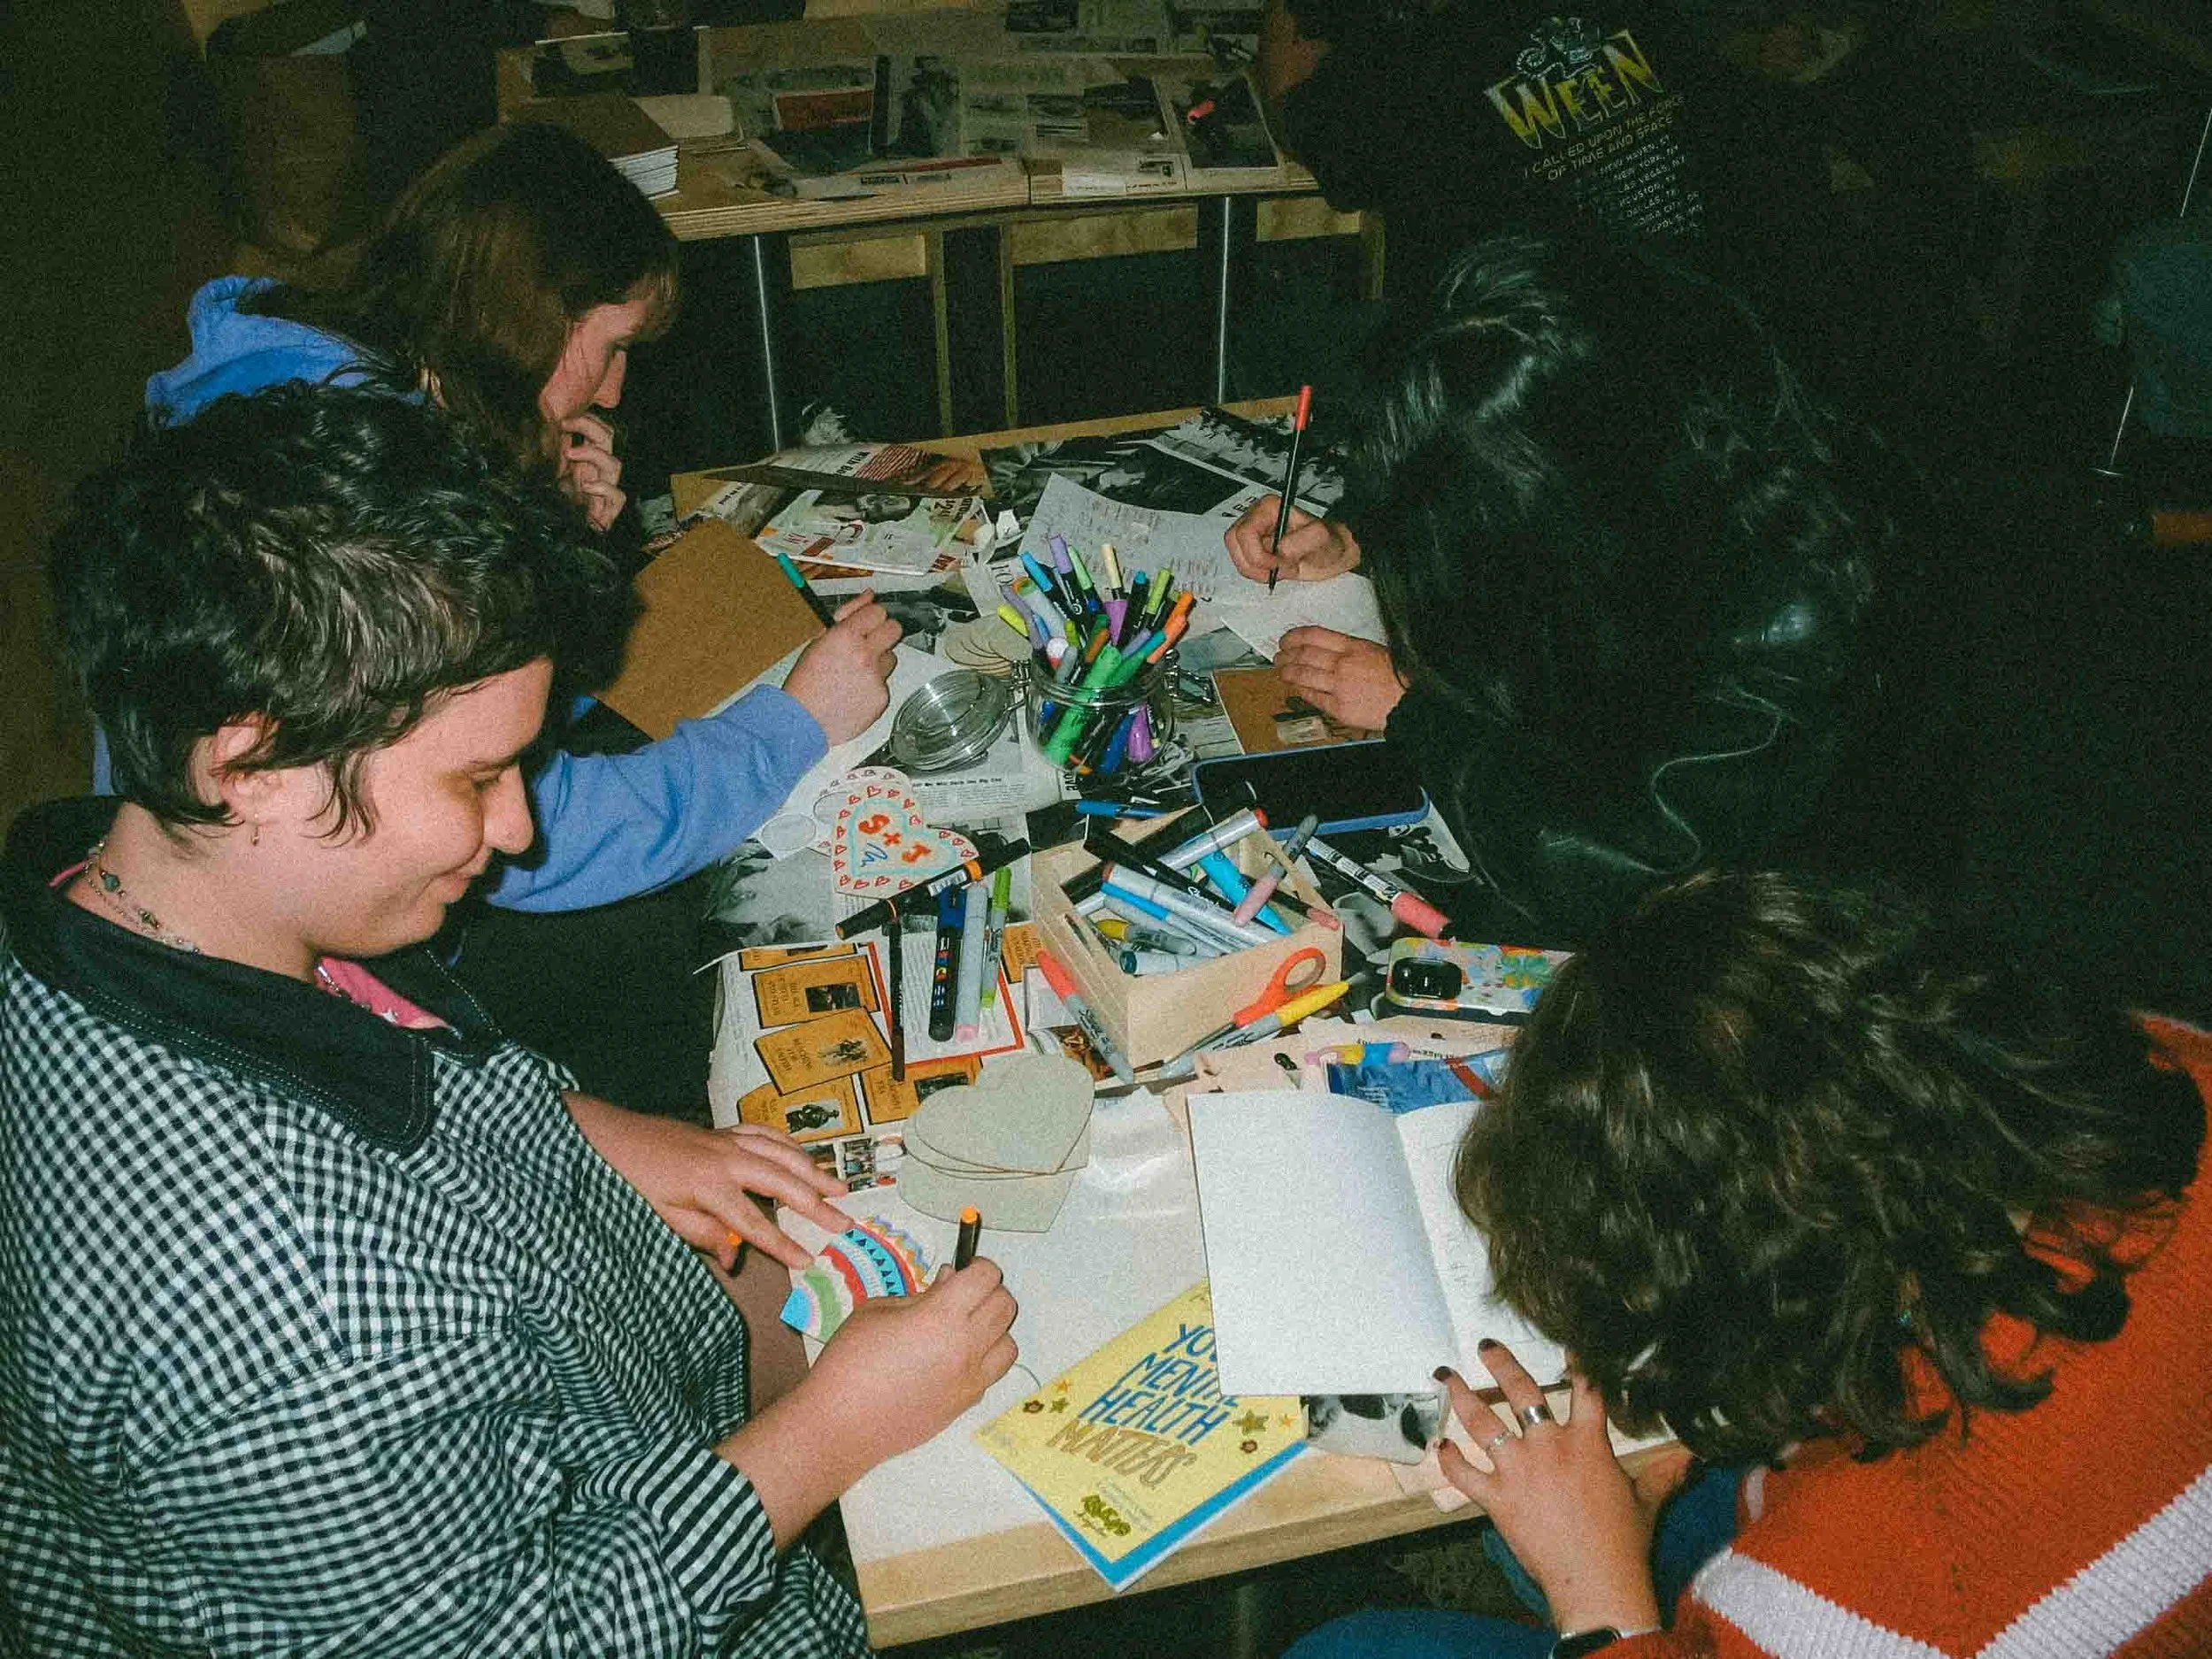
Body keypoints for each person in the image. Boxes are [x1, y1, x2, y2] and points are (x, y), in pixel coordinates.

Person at [2, 387, 1017, 1655]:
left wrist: (573, 1123)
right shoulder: (289, 1305)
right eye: (478, 777)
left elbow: (379, 1054)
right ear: (250, 765)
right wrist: (829, 1435)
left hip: (586, 1370)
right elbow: (535, 1633)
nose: (519, 828)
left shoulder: (128, 889)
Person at [1288, 870, 2212, 1657]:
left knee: (1348, 1648)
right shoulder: (2164, 1061)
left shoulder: (1892, 1578)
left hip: (1920, 1582)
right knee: (1585, 1504)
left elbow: (1879, 1591)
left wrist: (1599, 1599)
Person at [137, 118, 902, 918]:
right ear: (528, 322)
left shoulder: (324, 381)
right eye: (612, 346)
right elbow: (534, 837)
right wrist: (794, 724)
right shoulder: (362, 498)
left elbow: (498, 724)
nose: (613, 390)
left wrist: (555, 545)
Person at [1225, 230, 1925, 944]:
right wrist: (1357, 536)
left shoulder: (1791, 619)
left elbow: (1635, 870)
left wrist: (1418, 713)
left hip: (1755, 936)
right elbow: (1487, 474)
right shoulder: (1651, 431)